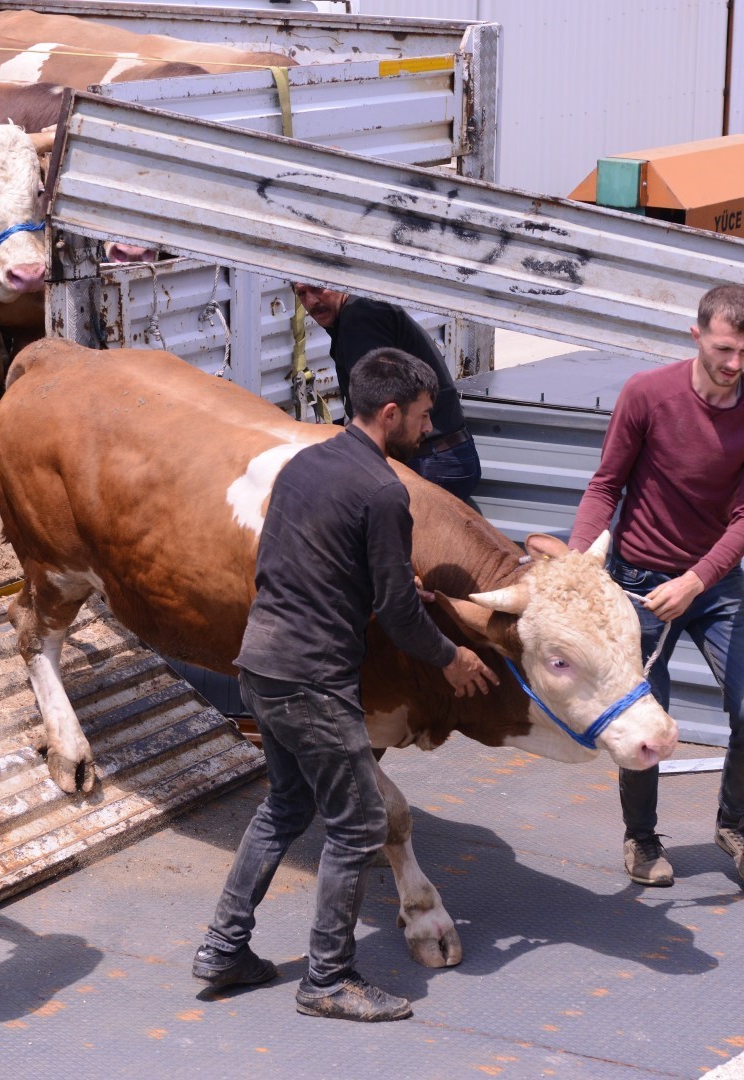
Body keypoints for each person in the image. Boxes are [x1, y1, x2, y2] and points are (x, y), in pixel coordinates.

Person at [194, 346, 498, 1022]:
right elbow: (395, 613)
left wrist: (382, 579)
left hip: (262, 663)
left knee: (285, 807)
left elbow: (296, 557)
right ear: (390, 412)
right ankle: (327, 978)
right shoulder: (384, 490)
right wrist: (451, 657)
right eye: (421, 416)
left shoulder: (310, 461)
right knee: (359, 824)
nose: (427, 428)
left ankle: (223, 949)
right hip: (312, 678)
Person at [568, 284, 744, 891]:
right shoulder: (647, 394)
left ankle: (735, 825)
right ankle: (641, 839)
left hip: (712, 588)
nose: (735, 364)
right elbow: (606, 485)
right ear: (696, 335)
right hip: (638, 586)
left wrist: (696, 580)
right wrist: (577, 559)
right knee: (642, 729)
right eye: (724, 348)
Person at [293, 284, 482, 501]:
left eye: (317, 289)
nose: (311, 302)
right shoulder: (361, 308)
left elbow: (376, 405)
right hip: (446, 456)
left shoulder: (360, 317)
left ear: (340, 281)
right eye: (302, 294)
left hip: (431, 461)